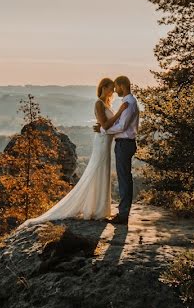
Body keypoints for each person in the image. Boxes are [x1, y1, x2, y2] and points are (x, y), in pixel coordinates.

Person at [19, 77, 127, 228]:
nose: (113, 90)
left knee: (104, 171)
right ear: (103, 87)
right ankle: (95, 209)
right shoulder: (99, 103)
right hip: (102, 142)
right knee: (97, 170)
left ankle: (100, 208)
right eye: (111, 87)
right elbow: (106, 125)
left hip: (107, 142)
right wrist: (120, 112)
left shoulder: (107, 103)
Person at [94, 75, 139, 225]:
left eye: (116, 87)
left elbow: (122, 126)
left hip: (125, 143)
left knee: (124, 178)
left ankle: (123, 214)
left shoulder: (129, 103)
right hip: (123, 143)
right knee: (124, 177)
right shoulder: (127, 102)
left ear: (122, 85)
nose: (115, 90)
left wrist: (102, 129)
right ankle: (123, 212)